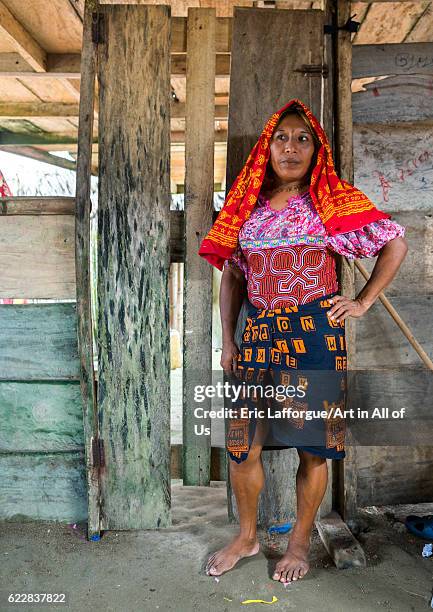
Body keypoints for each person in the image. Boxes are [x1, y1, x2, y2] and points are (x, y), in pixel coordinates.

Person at [198, 99, 408, 583]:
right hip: (258, 335)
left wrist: (361, 301)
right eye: (282, 138)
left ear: (316, 150)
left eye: (302, 139)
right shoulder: (245, 206)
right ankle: (248, 537)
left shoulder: (331, 201)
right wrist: (229, 341)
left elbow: (395, 242)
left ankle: (297, 545)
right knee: (241, 445)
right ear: (267, 148)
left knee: (313, 448)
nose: (291, 147)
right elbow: (232, 275)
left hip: (315, 337)